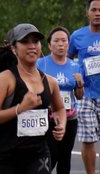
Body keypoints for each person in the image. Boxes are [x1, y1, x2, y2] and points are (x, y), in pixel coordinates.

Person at [0, 23, 66, 174]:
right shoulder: (6, 79)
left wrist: (62, 123)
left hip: (39, 155)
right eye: (25, 41)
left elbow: (60, 108)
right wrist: (20, 108)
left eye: (35, 41)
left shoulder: (50, 81)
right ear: (13, 48)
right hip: (7, 156)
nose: (32, 46)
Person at [37, 26, 83, 174]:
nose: (61, 44)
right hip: (48, 118)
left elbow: (79, 95)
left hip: (70, 118)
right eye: (56, 41)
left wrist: (80, 84)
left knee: (65, 157)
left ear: (68, 44)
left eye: (64, 40)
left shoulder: (75, 66)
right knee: (50, 155)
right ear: (50, 45)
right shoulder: (40, 64)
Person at [68, 0, 100, 174]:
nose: (98, 13)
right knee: (88, 139)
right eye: (94, 10)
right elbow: (67, 60)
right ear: (87, 13)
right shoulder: (77, 36)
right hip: (85, 94)